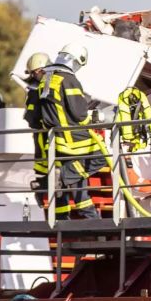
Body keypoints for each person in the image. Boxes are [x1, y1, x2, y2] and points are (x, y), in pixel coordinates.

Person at [38, 43, 104, 220]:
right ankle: (66, 175)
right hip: (72, 138)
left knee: (79, 185)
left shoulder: (47, 78)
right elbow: (79, 113)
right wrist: (89, 112)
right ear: (75, 61)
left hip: (55, 138)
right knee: (101, 157)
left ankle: (92, 219)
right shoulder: (69, 79)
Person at [23, 52, 54, 213]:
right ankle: (43, 192)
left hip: (46, 137)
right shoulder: (49, 86)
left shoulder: (39, 89)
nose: (35, 76)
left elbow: (30, 116)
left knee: (46, 168)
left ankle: (44, 191)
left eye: (35, 72)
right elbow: (31, 115)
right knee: (45, 168)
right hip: (46, 137)